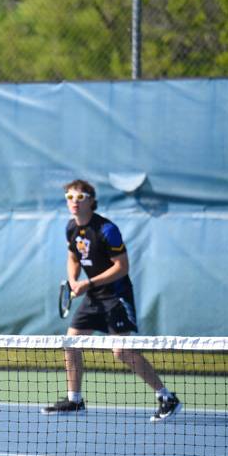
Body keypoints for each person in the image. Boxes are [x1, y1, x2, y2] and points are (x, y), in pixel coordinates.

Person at [42, 179, 182, 423]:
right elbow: (73, 256)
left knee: (121, 351)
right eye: (69, 197)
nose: (73, 202)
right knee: (71, 342)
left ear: (91, 201)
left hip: (115, 296)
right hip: (94, 297)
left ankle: (166, 397)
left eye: (79, 197)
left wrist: (89, 283)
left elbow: (122, 267)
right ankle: (75, 399)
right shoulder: (71, 228)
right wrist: (74, 280)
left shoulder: (107, 230)